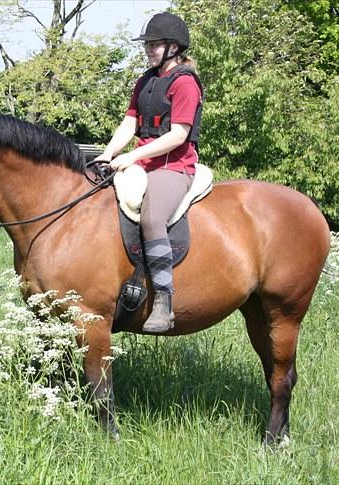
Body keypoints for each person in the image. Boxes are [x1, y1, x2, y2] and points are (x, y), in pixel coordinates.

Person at [95, 12, 204, 333]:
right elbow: (130, 123)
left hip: (173, 166)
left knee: (152, 218)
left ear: (174, 47)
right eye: (148, 44)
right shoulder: (145, 80)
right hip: (142, 162)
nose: (149, 50)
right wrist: (108, 153)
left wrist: (133, 156)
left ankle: (163, 301)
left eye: (155, 45)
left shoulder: (185, 83)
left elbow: (178, 135)